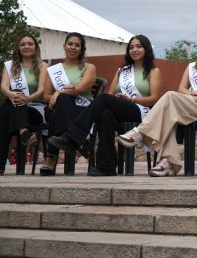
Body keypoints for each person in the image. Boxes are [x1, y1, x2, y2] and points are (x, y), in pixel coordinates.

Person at [118, 28, 197, 177]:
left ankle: (142, 133)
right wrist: (193, 93)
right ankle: (169, 163)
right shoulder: (193, 66)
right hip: (192, 103)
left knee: (170, 96)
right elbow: (182, 88)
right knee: (170, 114)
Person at [48, 35, 163, 176]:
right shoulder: (123, 71)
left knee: (103, 99)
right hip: (122, 107)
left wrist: (132, 99)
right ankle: (106, 165)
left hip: (141, 109)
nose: (134, 50)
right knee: (105, 114)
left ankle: (73, 137)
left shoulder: (153, 71)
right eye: (131, 47)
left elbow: (154, 99)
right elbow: (110, 94)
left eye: (138, 46)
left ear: (146, 49)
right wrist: (118, 98)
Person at [40, 32, 97, 176]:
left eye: (77, 45)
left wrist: (59, 92)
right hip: (58, 108)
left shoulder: (89, 67)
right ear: (64, 46)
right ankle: (80, 141)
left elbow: (80, 89)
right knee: (60, 106)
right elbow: (46, 96)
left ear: (82, 49)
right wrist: (57, 96)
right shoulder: (53, 70)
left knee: (60, 106)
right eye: (70, 44)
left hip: (82, 109)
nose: (73, 47)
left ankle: (51, 158)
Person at [0, 34, 48, 175]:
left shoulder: (42, 65)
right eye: (23, 44)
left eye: (30, 44)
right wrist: (11, 95)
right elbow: (3, 86)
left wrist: (27, 99)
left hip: (35, 110)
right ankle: (24, 133)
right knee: (10, 105)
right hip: (15, 108)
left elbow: (41, 90)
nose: (26, 46)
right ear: (18, 48)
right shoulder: (9, 66)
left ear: (35, 47)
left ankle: (0, 165)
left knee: (5, 112)